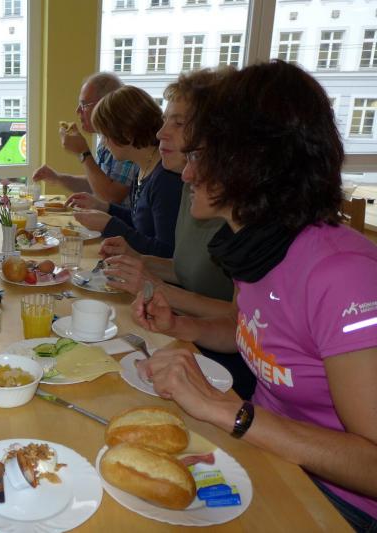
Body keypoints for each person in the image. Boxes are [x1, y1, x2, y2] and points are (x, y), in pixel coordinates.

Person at [134, 60, 377, 531]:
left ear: (251, 162)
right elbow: (254, 332)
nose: (187, 173)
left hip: (336, 503)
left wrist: (231, 412)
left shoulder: (342, 274)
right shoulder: (258, 246)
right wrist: (180, 326)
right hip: (267, 456)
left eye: (201, 154)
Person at [98, 69, 256, 400]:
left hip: (225, 365)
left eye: (178, 123)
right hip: (193, 338)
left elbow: (241, 321)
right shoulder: (191, 188)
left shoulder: (243, 216)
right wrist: (138, 261)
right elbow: (184, 266)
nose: (160, 133)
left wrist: (157, 289)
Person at [70, 86, 183, 258]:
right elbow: (139, 223)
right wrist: (104, 207)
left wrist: (109, 225)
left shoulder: (166, 179)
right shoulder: (142, 166)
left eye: (105, 135)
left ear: (126, 133)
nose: (104, 143)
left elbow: (165, 252)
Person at [31, 72, 136, 205]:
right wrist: (58, 178)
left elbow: (112, 196)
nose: (78, 111)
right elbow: (97, 184)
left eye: (84, 105)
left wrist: (83, 152)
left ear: (106, 104)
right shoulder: (105, 138)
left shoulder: (126, 140)